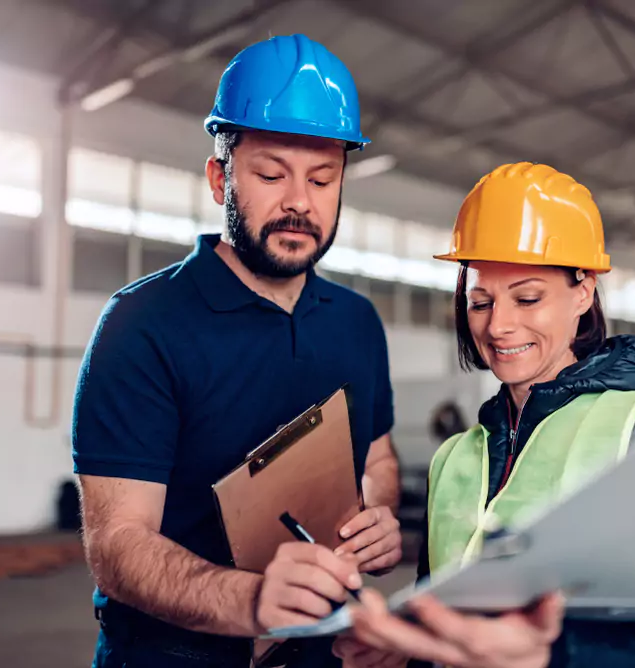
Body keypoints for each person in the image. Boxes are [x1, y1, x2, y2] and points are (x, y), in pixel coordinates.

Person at [269, 162, 635, 667]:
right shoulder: (456, 459)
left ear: (583, 292)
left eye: (527, 298)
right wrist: (406, 644)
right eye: (480, 301)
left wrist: (551, 656)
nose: (499, 325)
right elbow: (440, 615)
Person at [72, 34, 403, 667]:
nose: (299, 202)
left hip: (320, 652)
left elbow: (379, 457)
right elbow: (117, 543)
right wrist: (253, 602)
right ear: (219, 176)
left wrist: (374, 517)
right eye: (271, 174)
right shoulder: (143, 324)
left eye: (322, 178)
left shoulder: (358, 323)